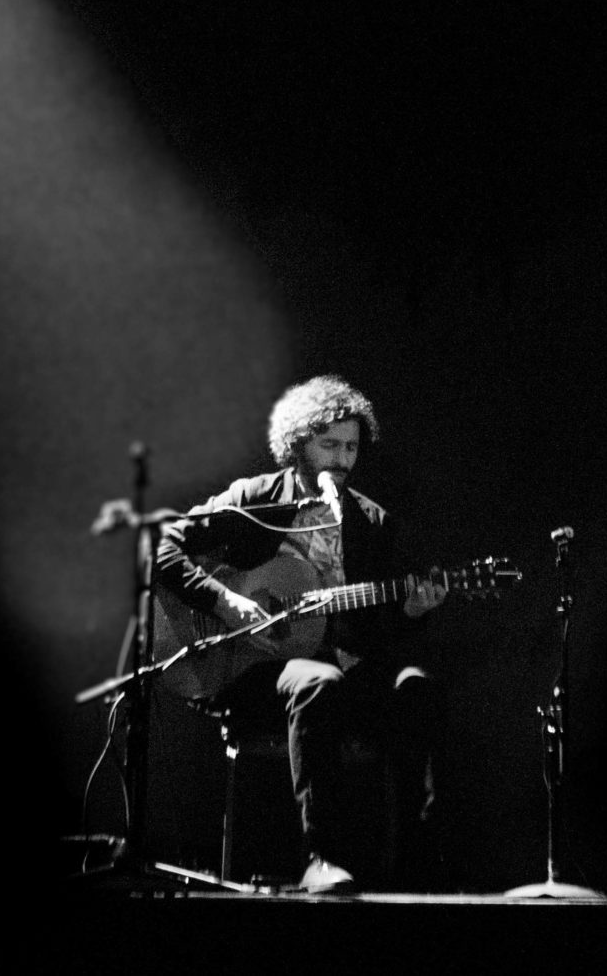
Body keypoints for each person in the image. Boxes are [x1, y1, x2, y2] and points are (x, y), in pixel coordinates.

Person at [155, 375, 449, 893]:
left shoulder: (371, 522)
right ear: (298, 444)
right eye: (329, 444)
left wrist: (411, 611)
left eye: (351, 447)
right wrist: (224, 601)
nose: (342, 459)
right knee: (317, 680)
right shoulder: (257, 499)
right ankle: (322, 858)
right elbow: (164, 545)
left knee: (416, 687)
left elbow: (377, 629)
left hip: (343, 670)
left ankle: (420, 863)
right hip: (254, 672)